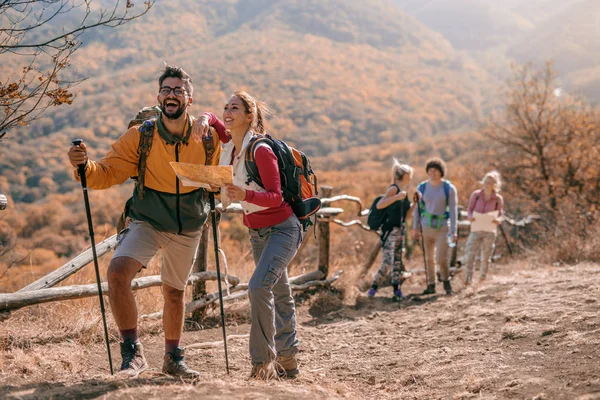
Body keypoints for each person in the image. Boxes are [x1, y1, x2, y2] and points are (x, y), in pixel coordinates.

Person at [67, 64, 223, 378]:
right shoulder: (141, 135)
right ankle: (132, 354)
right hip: (148, 219)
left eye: (179, 90)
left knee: (175, 292)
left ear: (188, 100)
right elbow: (107, 172)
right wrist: (84, 167)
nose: (172, 95)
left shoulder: (207, 138)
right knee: (117, 272)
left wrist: (218, 183)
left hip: (189, 224)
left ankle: (173, 359)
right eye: (167, 90)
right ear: (158, 96)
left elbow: (215, 180)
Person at [195, 90, 302, 380]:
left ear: (249, 116)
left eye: (235, 108)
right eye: (226, 106)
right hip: (258, 233)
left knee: (258, 288)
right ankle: (289, 360)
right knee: (280, 292)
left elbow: (276, 197)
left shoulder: (260, 150)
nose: (228, 112)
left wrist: (244, 193)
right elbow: (215, 121)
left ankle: (261, 363)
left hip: (283, 229)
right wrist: (204, 118)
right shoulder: (230, 145)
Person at [367, 160, 415, 301]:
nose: (411, 177)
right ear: (404, 176)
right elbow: (380, 205)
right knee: (388, 261)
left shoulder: (404, 192)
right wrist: (396, 198)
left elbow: (406, 216)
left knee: (397, 262)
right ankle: (373, 287)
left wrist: (415, 204)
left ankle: (396, 290)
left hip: (400, 230)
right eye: (409, 175)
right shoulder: (394, 189)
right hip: (389, 231)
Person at [412, 157, 458, 295]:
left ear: (441, 171)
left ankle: (446, 281)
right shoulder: (422, 187)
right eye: (430, 170)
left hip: (443, 226)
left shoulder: (448, 188)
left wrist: (454, 230)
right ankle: (431, 284)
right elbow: (417, 209)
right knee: (428, 258)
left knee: (441, 257)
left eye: (435, 170)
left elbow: (453, 209)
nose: (432, 173)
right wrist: (415, 227)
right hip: (426, 226)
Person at [464, 171, 504, 285]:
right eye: (486, 182)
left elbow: (501, 213)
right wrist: (470, 217)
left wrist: (498, 220)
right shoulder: (476, 195)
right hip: (476, 228)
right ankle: (468, 279)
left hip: (489, 230)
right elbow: (470, 210)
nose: (487, 184)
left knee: (486, 256)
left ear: (495, 184)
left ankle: (482, 278)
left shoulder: (498, 199)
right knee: (470, 254)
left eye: (490, 182)